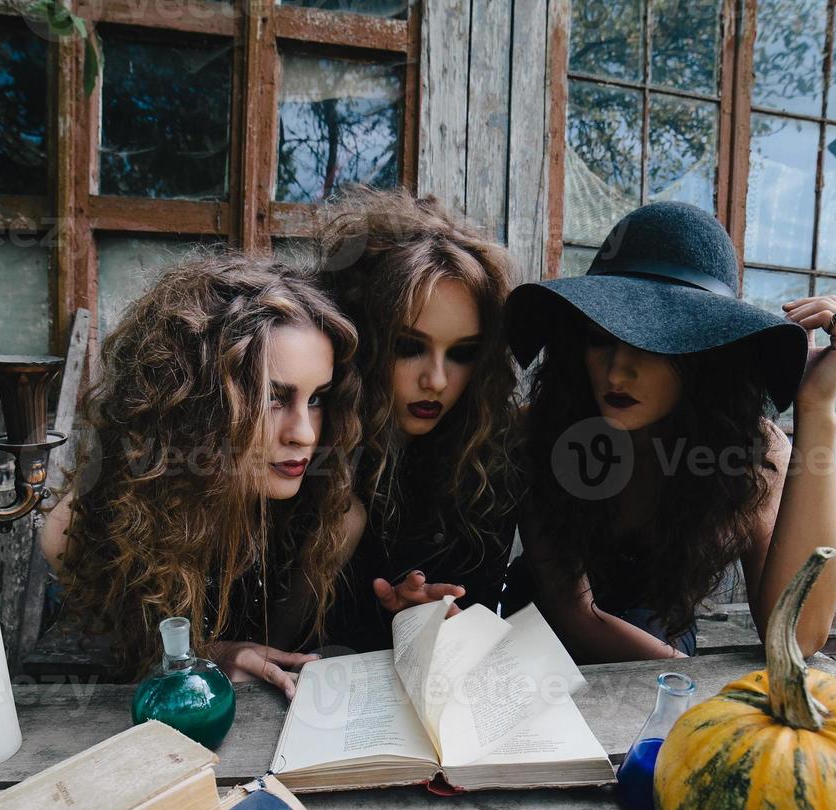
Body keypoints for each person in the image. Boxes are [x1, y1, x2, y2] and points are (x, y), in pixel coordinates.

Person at [504, 201, 836, 661]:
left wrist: (818, 411)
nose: (618, 372)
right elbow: (573, 614)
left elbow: (797, 638)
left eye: (652, 344)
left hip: (658, 641)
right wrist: (691, 687)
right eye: (601, 337)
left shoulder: (750, 455)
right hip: (532, 636)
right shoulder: (544, 427)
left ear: (704, 353)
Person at [40, 253, 365, 696]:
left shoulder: (332, 520)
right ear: (196, 406)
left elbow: (272, 660)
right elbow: (124, 663)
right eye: (273, 397)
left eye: (316, 399)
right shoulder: (82, 524)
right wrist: (210, 654)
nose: (304, 434)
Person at [311, 186, 523, 652]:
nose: (437, 380)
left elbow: (478, 612)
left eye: (463, 354)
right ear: (362, 339)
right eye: (409, 347)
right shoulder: (303, 443)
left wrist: (428, 617)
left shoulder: (487, 458)